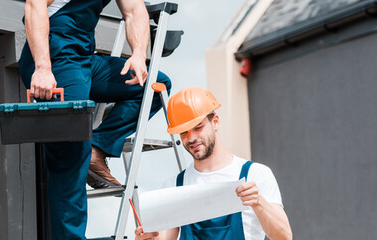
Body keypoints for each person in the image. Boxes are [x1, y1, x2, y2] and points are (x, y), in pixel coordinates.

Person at [19, 0, 172, 239]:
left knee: (154, 85)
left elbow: (134, 11)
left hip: (83, 59)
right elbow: (34, 5)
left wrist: (139, 55)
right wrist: (42, 67)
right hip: (54, 59)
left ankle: (98, 146)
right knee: (70, 153)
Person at [134, 87, 292, 240]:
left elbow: (284, 236)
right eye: (183, 132)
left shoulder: (255, 174)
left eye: (198, 127)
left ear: (215, 122)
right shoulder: (174, 186)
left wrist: (258, 202)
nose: (191, 138)